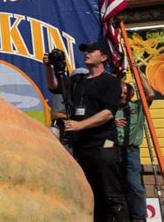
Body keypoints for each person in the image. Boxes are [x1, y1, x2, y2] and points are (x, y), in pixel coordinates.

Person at [43, 41, 129, 221]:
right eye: (85, 51)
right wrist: (48, 67)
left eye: (91, 51)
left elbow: (107, 113)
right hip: (82, 147)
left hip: (104, 143)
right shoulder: (78, 81)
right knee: (91, 195)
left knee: (111, 194)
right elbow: (54, 87)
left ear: (103, 57)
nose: (87, 53)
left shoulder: (110, 81)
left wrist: (80, 125)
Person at [116, 79, 154, 221]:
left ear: (131, 95)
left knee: (134, 185)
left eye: (126, 93)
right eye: (121, 92)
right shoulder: (109, 108)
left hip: (131, 152)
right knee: (117, 187)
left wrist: (137, 72)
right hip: (113, 151)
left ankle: (139, 218)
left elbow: (150, 94)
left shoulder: (137, 107)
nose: (123, 95)